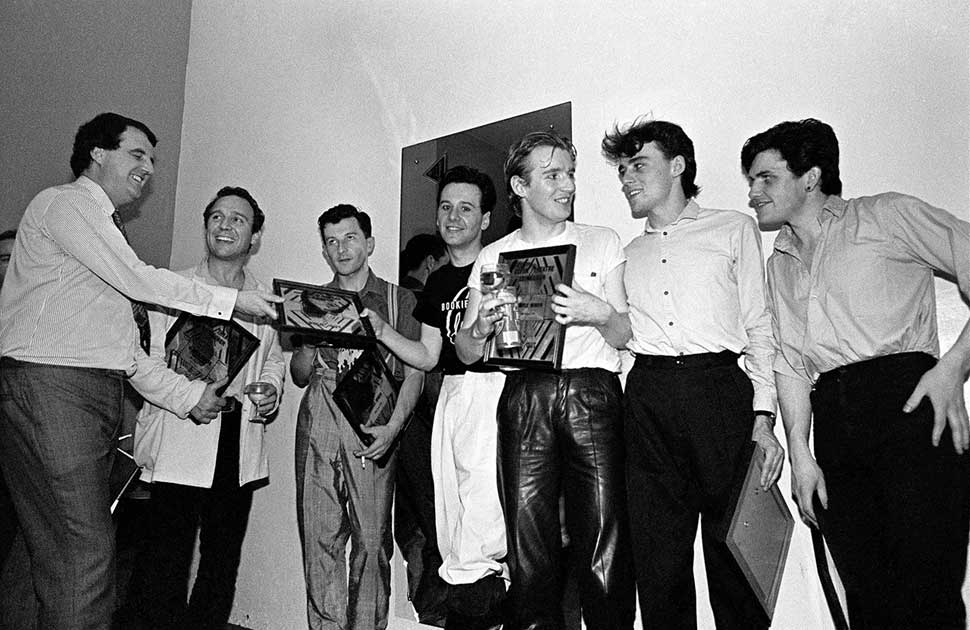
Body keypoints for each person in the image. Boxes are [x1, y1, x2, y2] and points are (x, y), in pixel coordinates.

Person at [0, 112, 280, 630]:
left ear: (255, 234)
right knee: (87, 553)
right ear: (97, 154)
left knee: (44, 549)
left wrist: (194, 395)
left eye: (153, 159)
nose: (148, 168)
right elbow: (138, 284)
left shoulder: (105, 230)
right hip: (57, 390)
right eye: (137, 155)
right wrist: (232, 300)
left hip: (83, 391)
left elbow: (127, 351)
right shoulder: (67, 204)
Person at [741, 118, 970, 630]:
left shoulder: (885, 217)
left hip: (911, 409)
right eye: (751, 182)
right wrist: (800, 453)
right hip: (835, 429)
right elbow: (792, 364)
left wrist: (954, 367)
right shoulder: (777, 264)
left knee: (928, 593)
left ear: (811, 176)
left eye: (765, 178)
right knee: (866, 598)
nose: (753, 194)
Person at [601, 118, 782, 629]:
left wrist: (764, 414)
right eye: (621, 171)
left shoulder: (732, 228)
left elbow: (760, 325)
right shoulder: (625, 254)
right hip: (648, 395)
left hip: (720, 391)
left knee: (734, 552)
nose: (627, 180)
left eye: (638, 165)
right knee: (658, 559)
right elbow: (620, 335)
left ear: (678, 165)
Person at [454, 131, 636, 630]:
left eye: (570, 174)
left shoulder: (601, 241)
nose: (567, 185)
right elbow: (466, 352)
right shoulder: (494, 256)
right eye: (553, 175)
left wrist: (596, 311)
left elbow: (623, 334)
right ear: (519, 185)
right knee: (528, 541)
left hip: (592, 392)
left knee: (604, 540)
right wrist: (481, 327)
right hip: (524, 396)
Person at [122, 186, 285, 629]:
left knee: (221, 561)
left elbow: (272, 359)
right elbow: (142, 363)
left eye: (238, 219)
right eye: (217, 216)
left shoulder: (267, 299)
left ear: (254, 238)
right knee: (165, 560)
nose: (225, 225)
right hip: (181, 433)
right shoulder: (172, 287)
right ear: (206, 226)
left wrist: (270, 388)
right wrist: (190, 398)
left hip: (238, 436)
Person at [363, 165, 507, 629]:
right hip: (450, 396)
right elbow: (426, 356)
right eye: (446, 207)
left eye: (466, 208)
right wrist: (383, 330)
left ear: (485, 218)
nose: (453, 216)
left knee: (488, 525)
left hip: (495, 395)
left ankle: (485, 613)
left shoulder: (503, 265)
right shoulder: (441, 283)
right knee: (450, 521)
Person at [290, 204, 423, 630]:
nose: (340, 248)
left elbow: (416, 370)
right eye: (331, 242)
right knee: (319, 537)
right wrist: (308, 344)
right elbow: (297, 375)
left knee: (371, 539)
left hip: (373, 421)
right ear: (325, 253)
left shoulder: (398, 298)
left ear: (368, 243)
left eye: (348, 238)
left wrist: (395, 426)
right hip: (318, 416)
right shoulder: (309, 301)